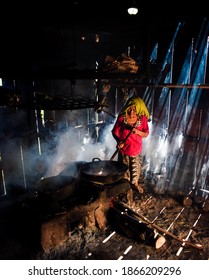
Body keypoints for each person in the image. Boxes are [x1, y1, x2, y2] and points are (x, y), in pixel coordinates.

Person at [111, 96, 150, 193]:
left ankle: (135, 184)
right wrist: (118, 141)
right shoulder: (122, 118)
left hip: (136, 149)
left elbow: (146, 134)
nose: (131, 112)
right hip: (124, 150)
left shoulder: (142, 118)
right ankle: (125, 188)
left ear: (138, 109)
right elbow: (114, 132)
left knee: (135, 168)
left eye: (134, 109)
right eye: (130, 109)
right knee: (124, 170)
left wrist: (137, 131)